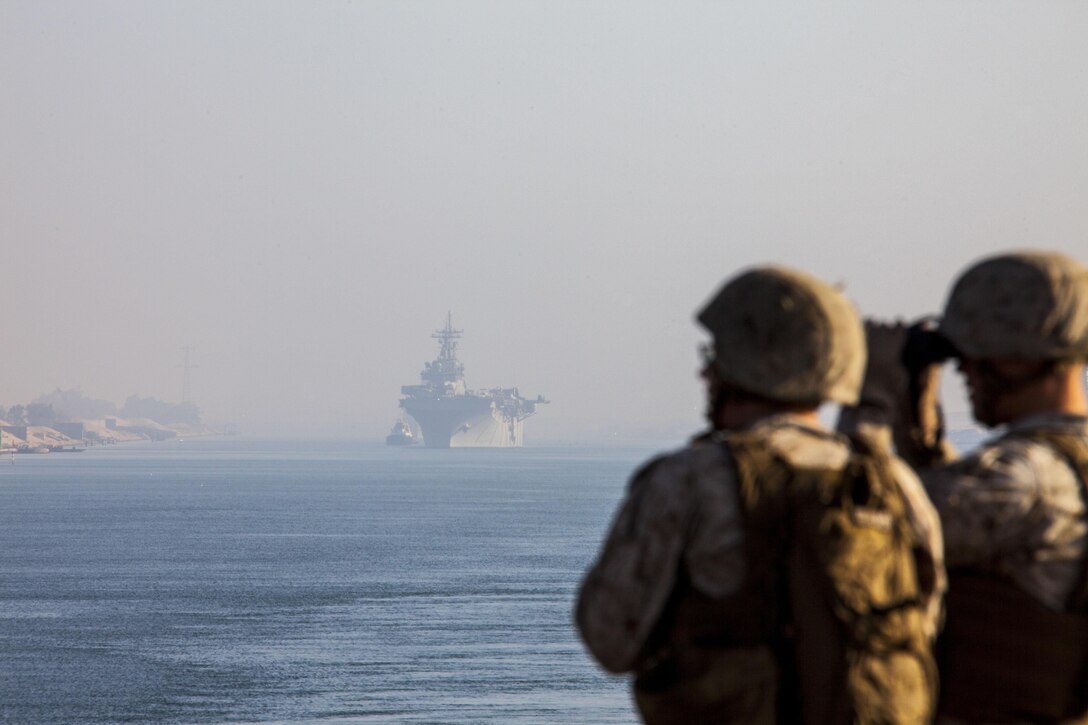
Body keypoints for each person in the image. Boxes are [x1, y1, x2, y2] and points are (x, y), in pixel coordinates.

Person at [576, 266, 943, 724]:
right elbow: (926, 624)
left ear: (747, 362)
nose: (705, 369)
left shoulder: (687, 482)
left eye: (717, 353)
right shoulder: (893, 487)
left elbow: (610, 639)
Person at [843, 250, 1088, 723]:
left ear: (1017, 358)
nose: (964, 373)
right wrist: (921, 440)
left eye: (972, 356)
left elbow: (847, 538)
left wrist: (868, 404)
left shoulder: (1021, 479)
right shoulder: (1048, 472)